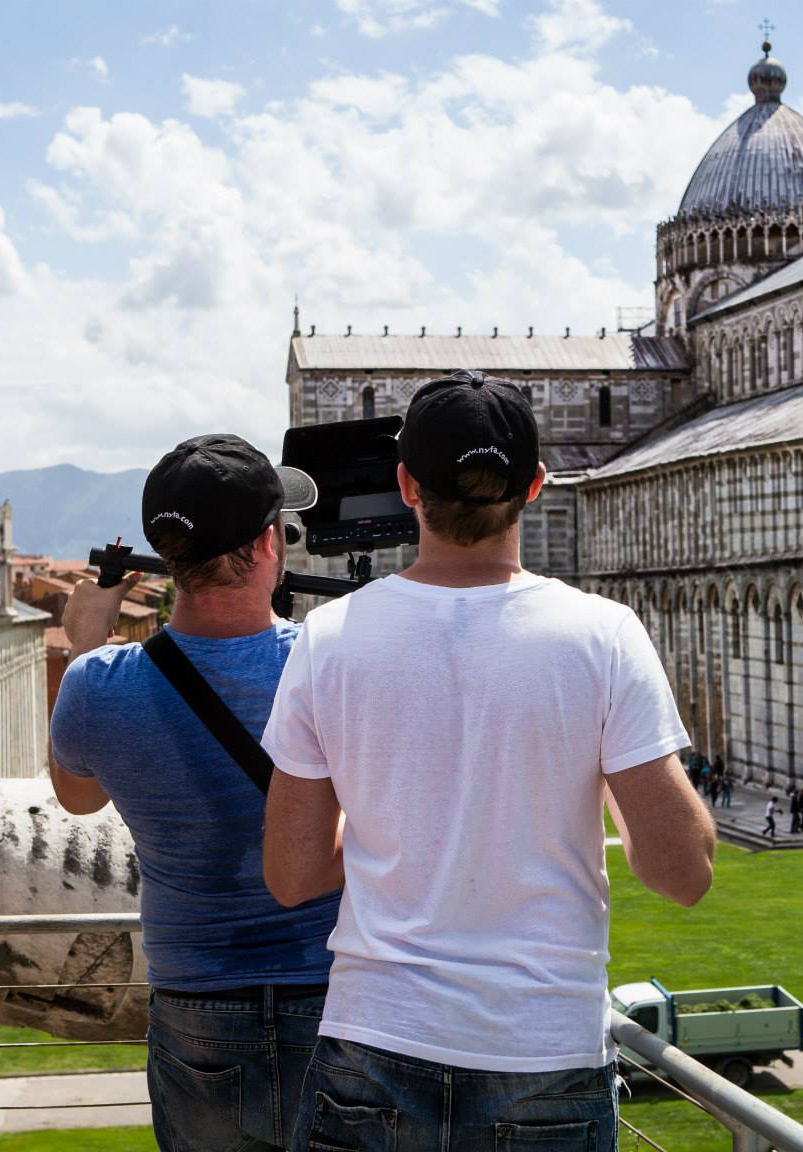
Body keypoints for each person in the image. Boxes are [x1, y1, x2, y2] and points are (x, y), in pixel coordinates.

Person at [261, 371, 716, 1151]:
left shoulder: (327, 638)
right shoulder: (603, 635)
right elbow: (684, 872)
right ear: (536, 485)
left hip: (375, 1034)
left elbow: (293, 874)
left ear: (407, 485)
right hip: (541, 1046)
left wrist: (397, 834)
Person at [48, 434, 340, 1152]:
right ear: (270, 543)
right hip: (335, 996)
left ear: (165, 555)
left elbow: (76, 797)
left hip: (196, 1006)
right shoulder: (333, 663)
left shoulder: (97, 685)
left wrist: (82, 643)